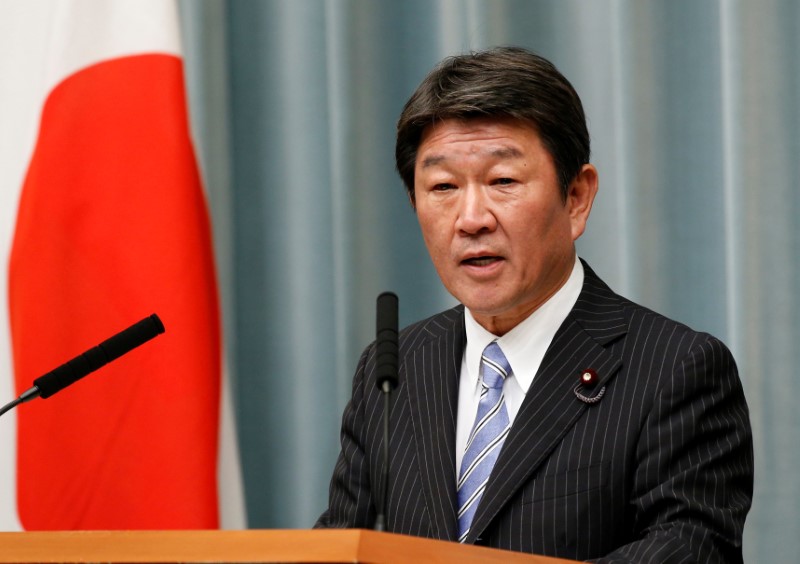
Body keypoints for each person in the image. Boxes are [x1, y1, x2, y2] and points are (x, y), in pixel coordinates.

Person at [316, 46, 753, 563]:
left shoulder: (675, 370)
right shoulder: (394, 371)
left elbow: (691, 549)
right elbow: (338, 547)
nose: (471, 218)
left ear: (576, 197)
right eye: (443, 187)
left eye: (502, 181)